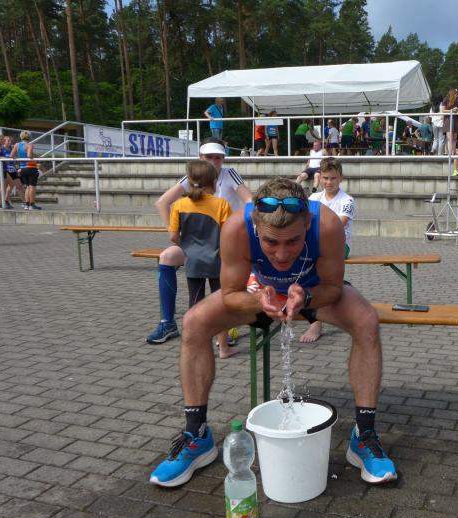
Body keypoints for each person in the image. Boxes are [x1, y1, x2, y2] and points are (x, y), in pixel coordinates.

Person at [149, 177, 397, 488]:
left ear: (307, 223)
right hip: (260, 293)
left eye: (293, 241)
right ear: (255, 225)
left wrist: (306, 296)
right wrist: (258, 300)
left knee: (366, 321)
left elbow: (333, 288)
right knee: (194, 322)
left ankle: (364, 435)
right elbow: (230, 293)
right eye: (270, 242)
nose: (281, 254)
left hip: (313, 291)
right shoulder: (236, 227)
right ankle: (196, 435)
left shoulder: (327, 224)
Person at [145, 138, 252, 344]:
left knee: (213, 282)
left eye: (218, 157)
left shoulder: (229, 173)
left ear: (223, 158)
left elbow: (250, 202)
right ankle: (167, 322)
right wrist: (178, 235)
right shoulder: (194, 175)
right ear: (200, 157)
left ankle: (225, 326)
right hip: (199, 242)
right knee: (166, 257)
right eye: (209, 157)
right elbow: (162, 202)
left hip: (225, 241)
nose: (213, 161)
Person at [169, 160, 235, 358]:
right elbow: (229, 235)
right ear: (214, 182)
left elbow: (173, 236)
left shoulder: (179, 205)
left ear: (190, 182)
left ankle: (196, 348)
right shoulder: (221, 204)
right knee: (221, 304)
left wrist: (187, 247)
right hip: (217, 261)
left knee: (195, 304)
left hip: (193, 262)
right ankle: (223, 348)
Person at [301, 158, 355, 343]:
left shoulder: (347, 200)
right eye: (325, 178)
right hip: (315, 244)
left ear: (341, 178)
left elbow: (338, 226)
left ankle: (316, 322)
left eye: (333, 178)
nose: (329, 182)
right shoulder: (313, 198)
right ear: (320, 177)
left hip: (340, 246)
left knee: (315, 273)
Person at [10, 131, 40, 210]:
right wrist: (34, 157)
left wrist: (19, 160)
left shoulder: (17, 145)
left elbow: (11, 155)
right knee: (32, 186)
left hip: (22, 168)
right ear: (29, 137)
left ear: (21, 137)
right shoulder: (30, 145)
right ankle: (32, 204)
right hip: (31, 167)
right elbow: (29, 155)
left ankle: (27, 204)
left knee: (27, 187)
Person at [1, 136, 21, 209]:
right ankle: (2, 202)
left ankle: (6, 200)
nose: (10, 142)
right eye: (8, 140)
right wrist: (7, 158)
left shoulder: (11, 148)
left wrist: (17, 167)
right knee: (4, 186)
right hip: (5, 169)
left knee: (13, 185)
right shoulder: (1, 149)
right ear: (4, 141)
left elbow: (15, 159)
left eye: (10, 140)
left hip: (13, 169)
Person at [441, 88, 458, 157]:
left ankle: (453, 153)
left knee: (455, 137)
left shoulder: (457, 100)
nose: (457, 95)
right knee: (449, 138)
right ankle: (450, 154)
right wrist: (451, 110)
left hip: (455, 119)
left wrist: (457, 109)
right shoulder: (446, 99)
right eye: (456, 93)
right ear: (452, 94)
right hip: (448, 119)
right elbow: (443, 110)